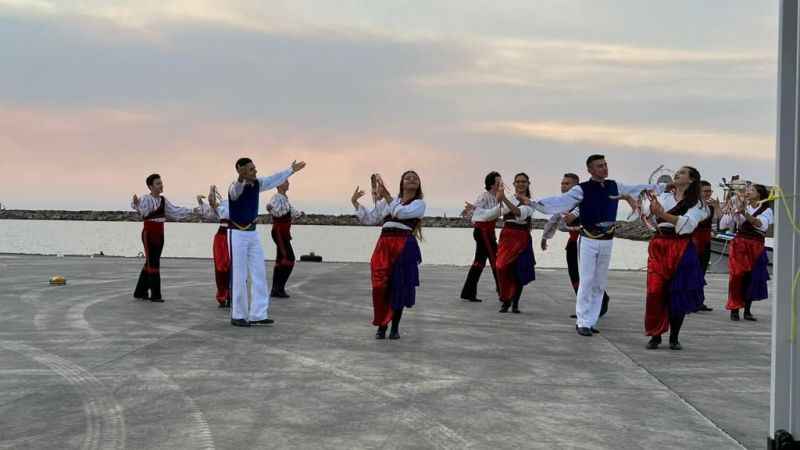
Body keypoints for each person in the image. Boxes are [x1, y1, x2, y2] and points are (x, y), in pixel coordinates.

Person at [534, 155, 666, 336]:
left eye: (605, 165)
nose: (604, 168)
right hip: (588, 240)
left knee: (599, 283)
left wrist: (664, 187)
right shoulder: (582, 189)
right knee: (586, 281)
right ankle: (582, 321)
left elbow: (638, 188)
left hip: (607, 240)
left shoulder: (614, 186)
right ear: (590, 170)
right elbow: (559, 202)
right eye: (599, 166)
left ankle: (591, 320)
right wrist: (533, 203)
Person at [227, 158, 307, 327]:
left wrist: (290, 170)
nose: (255, 171)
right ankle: (238, 315)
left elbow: (273, 179)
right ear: (241, 171)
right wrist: (241, 178)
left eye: (254, 168)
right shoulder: (235, 187)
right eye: (251, 169)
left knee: (259, 272)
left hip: (252, 233)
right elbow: (236, 191)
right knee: (240, 275)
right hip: (237, 234)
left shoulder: (257, 183)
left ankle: (258, 314)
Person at [352, 171, 425, 340]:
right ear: (402, 183)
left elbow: (401, 214)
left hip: (403, 245)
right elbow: (370, 219)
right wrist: (355, 203)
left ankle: (394, 327)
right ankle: (382, 323)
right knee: (379, 287)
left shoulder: (419, 204)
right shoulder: (388, 202)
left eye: (415, 178)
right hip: (384, 246)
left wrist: (388, 197)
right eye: (408, 177)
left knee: (399, 287)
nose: (412, 179)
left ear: (418, 184)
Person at [642, 166, 707, 350]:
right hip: (659, 245)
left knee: (677, 293)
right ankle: (655, 334)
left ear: (692, 179)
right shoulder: (664, 196)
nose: (677, 174)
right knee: (654, 292)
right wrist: (651, 206)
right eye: (677, 172)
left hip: (681, 247)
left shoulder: (698, 203)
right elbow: (648, 214)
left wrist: (662, 214)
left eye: (682, 172)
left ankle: (674, 336)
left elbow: (688, 225)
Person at [541, 173, 612, 318]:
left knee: (589, 277)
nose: (563, 186)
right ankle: (583, 308)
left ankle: (600, 301)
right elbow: (554, 220)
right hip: (573, 244)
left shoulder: (584, 202)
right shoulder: (562, 204)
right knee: (574, 276)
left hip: (588, 243)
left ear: (576, 187)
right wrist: (544, 237)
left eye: (567, 184)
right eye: (562, 183)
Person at [131, 174, 199, 302]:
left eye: (161, 183)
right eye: (157, 183)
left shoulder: (163, 200)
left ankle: (140, 291)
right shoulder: (146, 198)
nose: (161, 185)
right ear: (150, 186)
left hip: (160, 234)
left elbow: (175, 211)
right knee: (153, 263)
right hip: (149, 233)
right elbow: (141, 210)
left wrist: (192, 211)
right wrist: (136, 203)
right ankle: (155, 295)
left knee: (151, 262)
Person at [719, 183, 774, 321]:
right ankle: (735, 308)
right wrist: (731, 210)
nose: (748, 192)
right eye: (748, 190)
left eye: (752, 190)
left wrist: (744, 213)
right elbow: (724, 225)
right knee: (737, 276)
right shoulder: (741, 205)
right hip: (740, 244)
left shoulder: (767, 210)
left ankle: (747, 310)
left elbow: (760, 224)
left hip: (756, 246)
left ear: (760, 194)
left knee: (752, 277)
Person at [494, 173, 536, 313]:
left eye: (523, 181)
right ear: (514, 184)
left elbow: (519, 213)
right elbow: (499, 211)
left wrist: (503, 198)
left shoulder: (530, 201)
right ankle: (506, 299)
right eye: (518, 181)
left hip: (521, 237)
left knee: (518, 270)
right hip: (507, 236)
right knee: (501, 267)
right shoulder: (511, 198)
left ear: (528, 183)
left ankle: (514, 303)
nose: (520, 184)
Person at [459, 171, 502, 302]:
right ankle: (502, 290)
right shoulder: (484, 197)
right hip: (483, 232)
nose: (501, 184)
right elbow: (473, 213)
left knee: (480, 262)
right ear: (492, 184)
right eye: (498, 182)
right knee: (495, 260)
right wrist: (470, 210)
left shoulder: (497, 197)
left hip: (489, 232)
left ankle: (468, 292)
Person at [267, 179, 304, 298]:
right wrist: (271, 209)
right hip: (279, 232)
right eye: (286, 182)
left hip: (283, 232)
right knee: (289, 258)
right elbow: (277, 212)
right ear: (278, 185)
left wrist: (299, 214)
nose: (288, 183)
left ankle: (277, 289)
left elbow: (291, 211)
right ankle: (278, 288)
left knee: (281, 259)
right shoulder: (276, 198)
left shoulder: (284, 198)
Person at [199, 185, 231, 308]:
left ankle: (231, 295)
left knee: (234, 267)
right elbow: (212, 203)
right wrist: (211, 190)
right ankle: (223, 295)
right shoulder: (224, 204)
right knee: (221, 268)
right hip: (222, 237)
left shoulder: (243, 203)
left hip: (236, 235)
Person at [691, 180, 720, 312]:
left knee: (701, 272)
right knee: (692, 272)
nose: (708, 193)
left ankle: (698, 301)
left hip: (706, 241)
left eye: (710, 191)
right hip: (694, 241)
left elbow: (720, 220)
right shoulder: (693, 206)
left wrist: (716, 206)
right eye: (706, 191)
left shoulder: (711, 206)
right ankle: (689, 301)